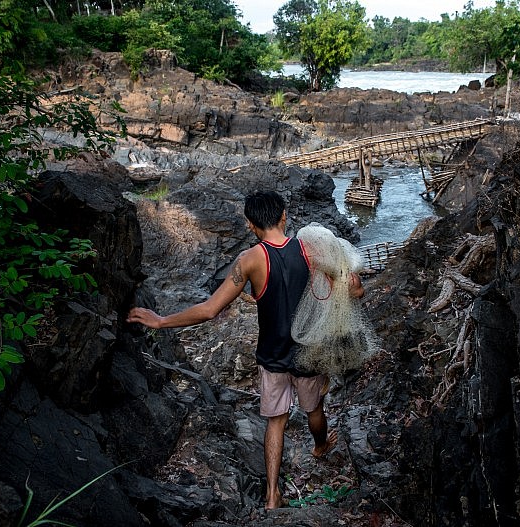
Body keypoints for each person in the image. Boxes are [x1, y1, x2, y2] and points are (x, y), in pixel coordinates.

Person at [126, 190, 364, 510]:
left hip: (272, 356)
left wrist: (161, 320)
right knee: (315, 410)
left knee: (275, 422)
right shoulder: (311, 249)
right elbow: (354, 290)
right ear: (284, 216)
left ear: (251, 225)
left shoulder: (250, 260)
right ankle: (320, 447)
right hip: (310, 353)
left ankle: (271, 497)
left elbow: (210, 309)